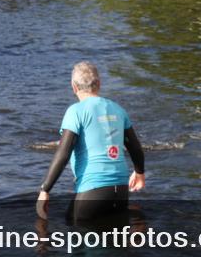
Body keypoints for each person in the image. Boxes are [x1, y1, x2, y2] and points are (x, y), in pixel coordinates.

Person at [36, 61, 146, 224]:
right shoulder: (118, 109)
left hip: (93, 188)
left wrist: (45, 189)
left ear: (74, 87)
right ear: (99, 84)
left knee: (75, 233)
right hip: (121, 189)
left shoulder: (75, 111)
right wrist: (139, 173)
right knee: (115, 243)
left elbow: (63, 152)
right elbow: (135, 147)